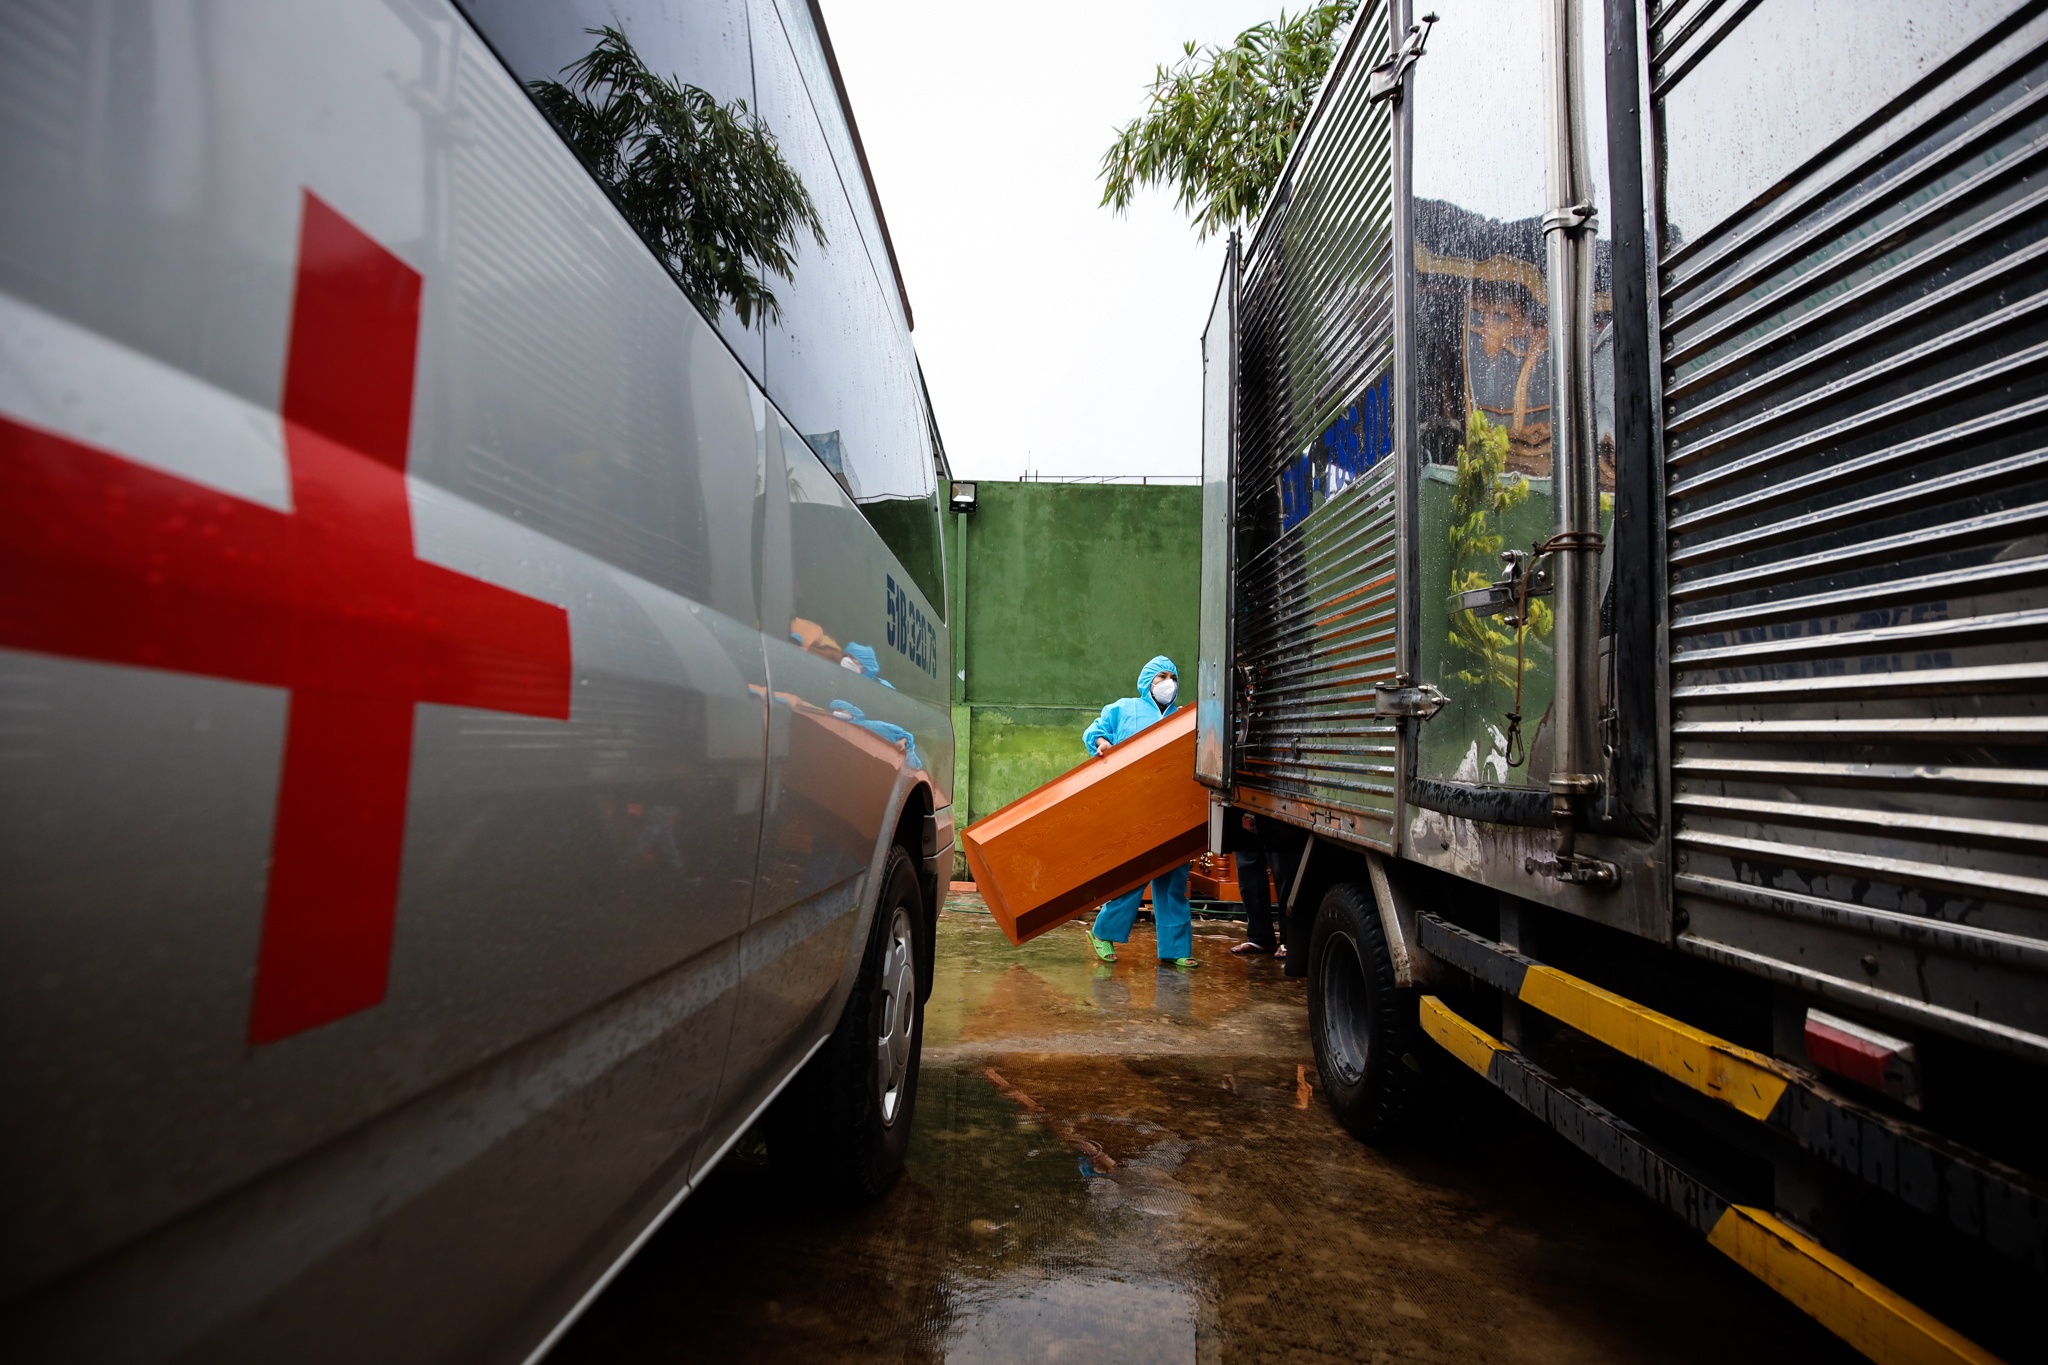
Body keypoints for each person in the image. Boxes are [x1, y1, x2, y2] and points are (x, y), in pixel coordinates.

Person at [1081, 656, 1198, 969]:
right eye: (1161, 676)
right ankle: (1103, 932)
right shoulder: (1124, 709)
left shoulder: (1184, 718)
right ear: (1148, 681)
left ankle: (1175, 948)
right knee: (1132, 877)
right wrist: (1103, 743)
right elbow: (1094, 732)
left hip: (1173, 810)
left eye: (1173, 676)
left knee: (1173, 881)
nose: (1168, 682)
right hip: (1133, 808)